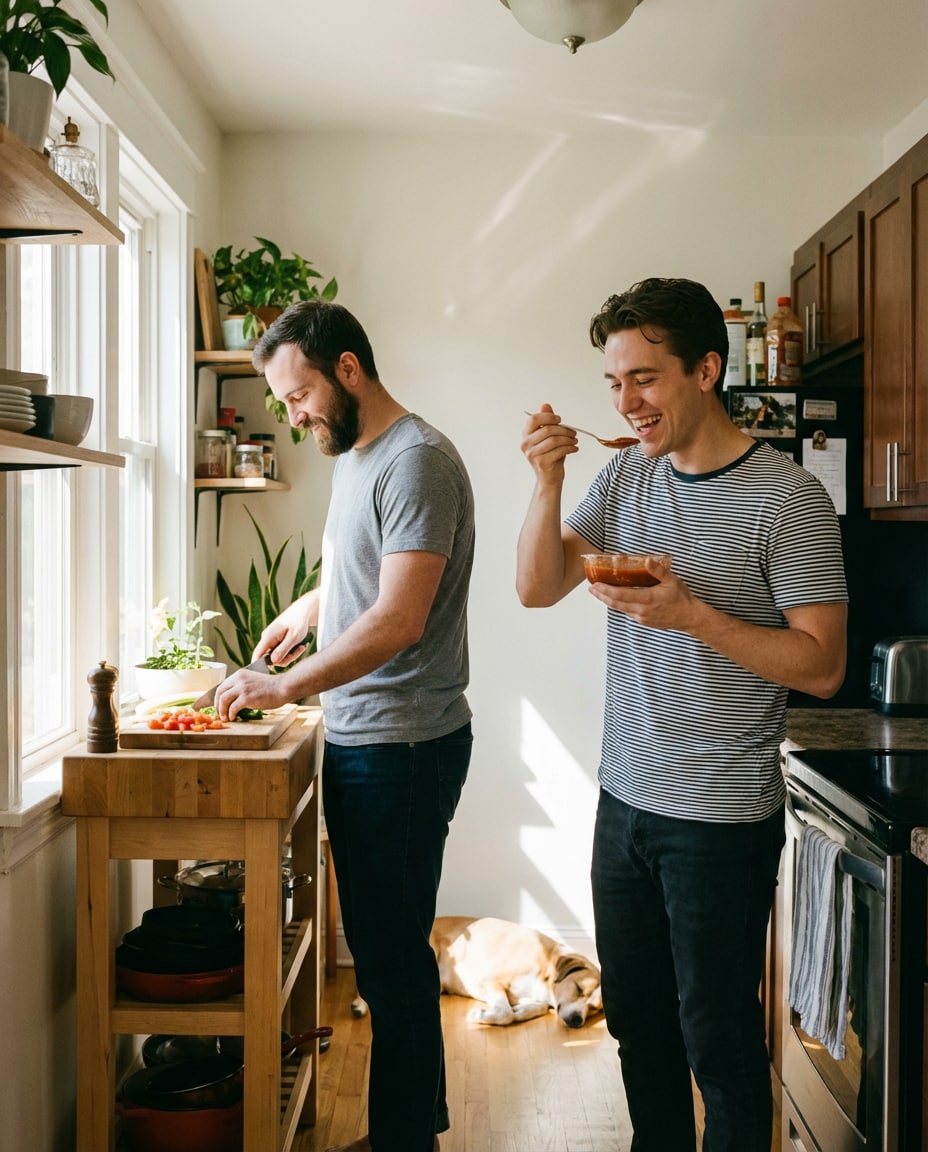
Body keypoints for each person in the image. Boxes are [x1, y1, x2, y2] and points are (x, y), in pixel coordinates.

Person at [516, 277, 847, 1152]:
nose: (627, 402)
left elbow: (823, 666)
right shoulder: (627, 473)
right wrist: (548, 481)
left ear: (706, 370)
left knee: (720, 1042)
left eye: (645, 378)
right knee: (639, 1024)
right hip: (624, 805)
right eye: (614, 383)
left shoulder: (788, 499)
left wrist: (692, 614)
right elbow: (537, 587)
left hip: (721, 822)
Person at [212, 299, 475, 1152]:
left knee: (390, 963)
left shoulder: (417, 461)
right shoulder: (359, 455)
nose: (294, 417)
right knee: (385, 952)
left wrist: (283, 684)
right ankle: (413, 1126)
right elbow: (372, 573)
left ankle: (404, 1140)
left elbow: (399, 618)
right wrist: (309, 608)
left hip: (405, 747)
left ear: (349, 370)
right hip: (370, 738)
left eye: (299, 396)